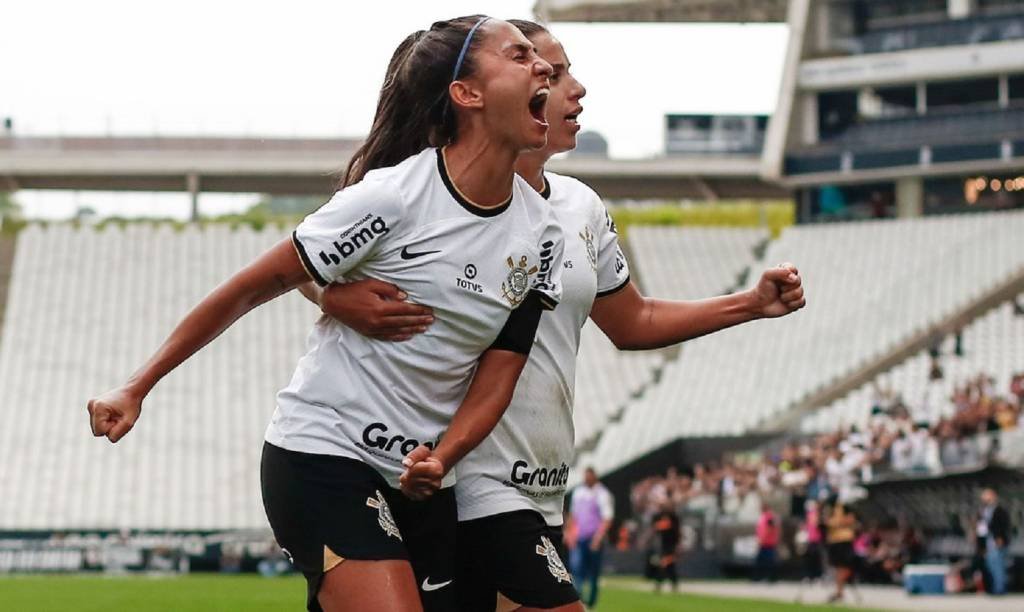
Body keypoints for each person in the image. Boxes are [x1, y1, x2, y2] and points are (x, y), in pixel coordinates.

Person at [306, 18, 807, 612]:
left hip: (540, 485)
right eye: (552, 69)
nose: (573, 87)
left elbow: (632, 321)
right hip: (468, 479)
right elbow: (307, 263)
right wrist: (331, 295)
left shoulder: (578, 207)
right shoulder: (428, 196)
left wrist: (748, 304)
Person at [86, 15, 565, 612]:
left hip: (421, 478)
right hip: (321, 453)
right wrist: (137, 385)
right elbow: (247, 289)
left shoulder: (543, 232)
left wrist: (443, 456)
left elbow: (501, 370)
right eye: (519, 56)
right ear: (466, 94)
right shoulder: (393, 197)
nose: (544, 66)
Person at [568, 467, 614, 608]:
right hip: (580, 538)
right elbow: (573, 516)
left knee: (594, 572)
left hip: (594, 538)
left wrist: (598, 538)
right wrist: (571, 534)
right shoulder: (578, 492)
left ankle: (591, 602)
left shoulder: (602, 493)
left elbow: (607, 518)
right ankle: (578, 599)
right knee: (576, 570)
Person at [976, 487, 1011, 595]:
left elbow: (1003, 526)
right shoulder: (983, 511)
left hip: (997, 541)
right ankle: (995, 586)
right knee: (990, 564)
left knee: (998, 565)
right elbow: (981, 528)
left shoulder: (999, 510)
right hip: (988, 542)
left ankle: (1000, 589)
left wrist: (1000, 538)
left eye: (987, 495)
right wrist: (981, 545)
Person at [825, 501, 858, 603]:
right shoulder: (831, 507)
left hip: (845, 541)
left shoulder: (847, 507)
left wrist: (838, 522)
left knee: (846, 567)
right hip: (836, 542)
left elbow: (850, 520)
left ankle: (840, 590)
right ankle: (839, 591)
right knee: (839, 568)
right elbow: (828, 522)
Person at [650, 500, 683, 593]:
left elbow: (678, 532)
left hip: (672, 545)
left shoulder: (674, 518)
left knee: (664, 564)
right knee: (670, 567)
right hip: (663, 545)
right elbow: (654, 529)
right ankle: (674, 585)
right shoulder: (658, 517)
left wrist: (679, 545)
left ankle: (659, 584)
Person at [754, 503, 780, 582]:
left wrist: (762, 538)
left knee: (767, 561)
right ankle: (761, 577)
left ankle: (768, 577)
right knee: (763, 560)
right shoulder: (765, 516)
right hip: (766, 542)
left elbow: (769, 528)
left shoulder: (769, 516)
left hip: (767, 543)